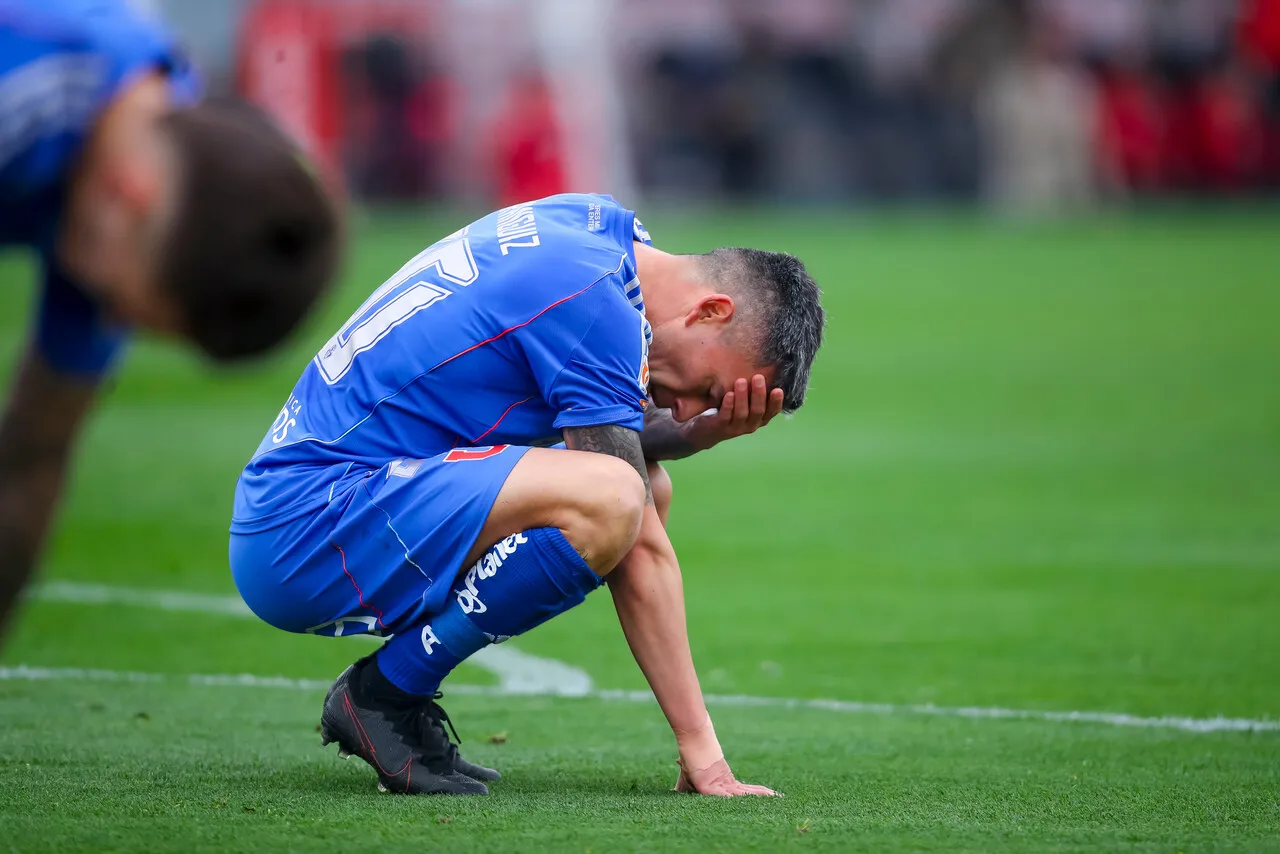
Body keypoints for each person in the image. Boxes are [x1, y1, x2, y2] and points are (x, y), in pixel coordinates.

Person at [229, 193, 824, 796]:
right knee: (621, 495)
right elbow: (627, 513)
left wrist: (696, 434)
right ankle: (384, 693)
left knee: (636, 484)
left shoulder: (600, 234)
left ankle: (390, 695)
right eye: (708, 387)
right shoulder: (594, 307)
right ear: (711, 311)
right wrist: (704, 754)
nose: (687, 406)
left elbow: (612, 434)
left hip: (314, 499)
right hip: (306, 526)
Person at [0, 0, 342, 637]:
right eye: (120, 302)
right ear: (129, 195)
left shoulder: (158, 148)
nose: (103, 314)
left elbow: (36, 448)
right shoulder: (25, 86)